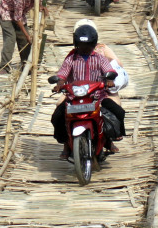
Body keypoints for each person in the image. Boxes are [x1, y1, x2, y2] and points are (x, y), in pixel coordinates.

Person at [50, 25, 126, 160]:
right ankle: (66, 145)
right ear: (76, 44)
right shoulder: (71, 59)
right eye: (81, 44)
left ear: (93, 44)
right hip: (74, 97)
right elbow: (62, 74)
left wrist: (109, 79)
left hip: (97, 96)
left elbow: (110, 70)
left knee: (118, 112)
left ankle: (110, 138)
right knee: (57, 116)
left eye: (88, 44)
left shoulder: (99, 58)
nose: (85, 47)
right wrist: (59, 83)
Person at [0, 0, 46, 75]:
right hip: (6, 12)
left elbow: (39, 2)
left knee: (24, 40)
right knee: (11, 38)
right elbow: (17, 18)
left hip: (20, 13)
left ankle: (26, 65)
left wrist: (42, 7)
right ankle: (4, 66)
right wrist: (27, 35)